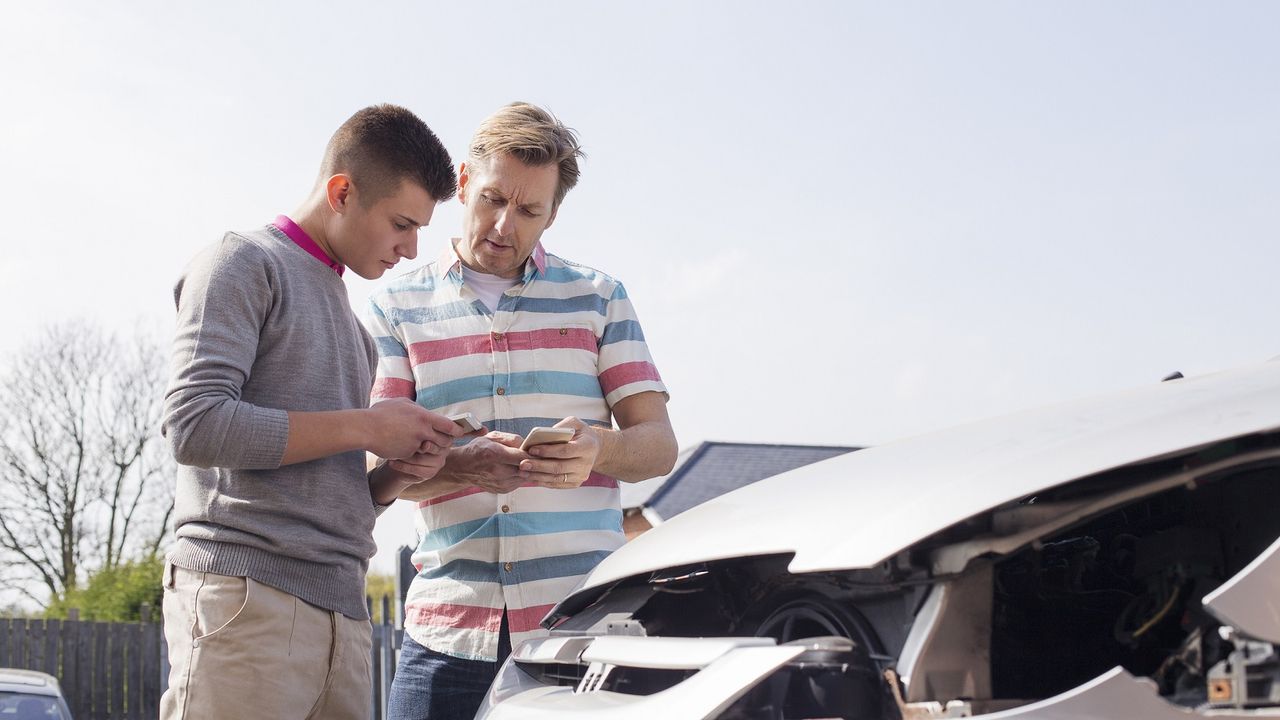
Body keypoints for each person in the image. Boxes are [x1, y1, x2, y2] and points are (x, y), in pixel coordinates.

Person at [367, 102, 678, 719]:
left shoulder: (600, 297)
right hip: (447, 629)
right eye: (491, 199)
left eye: (530, 210)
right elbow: (383, 469)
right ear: (461, 183)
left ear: (554, 213)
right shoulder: (394, 306)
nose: (505, 225)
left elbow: (658, 446)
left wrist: (599, 445)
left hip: (580, 628)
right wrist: (464, 466)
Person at [159, 104, 467, 720]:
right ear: (342, 191)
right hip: (248, 604)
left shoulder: (356, 330)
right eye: (402, 224)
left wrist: (392, 477)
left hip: (345, 616)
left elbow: (326, 487)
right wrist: (369, 426)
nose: (410, 250)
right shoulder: (241, 262)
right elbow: (194, 423)